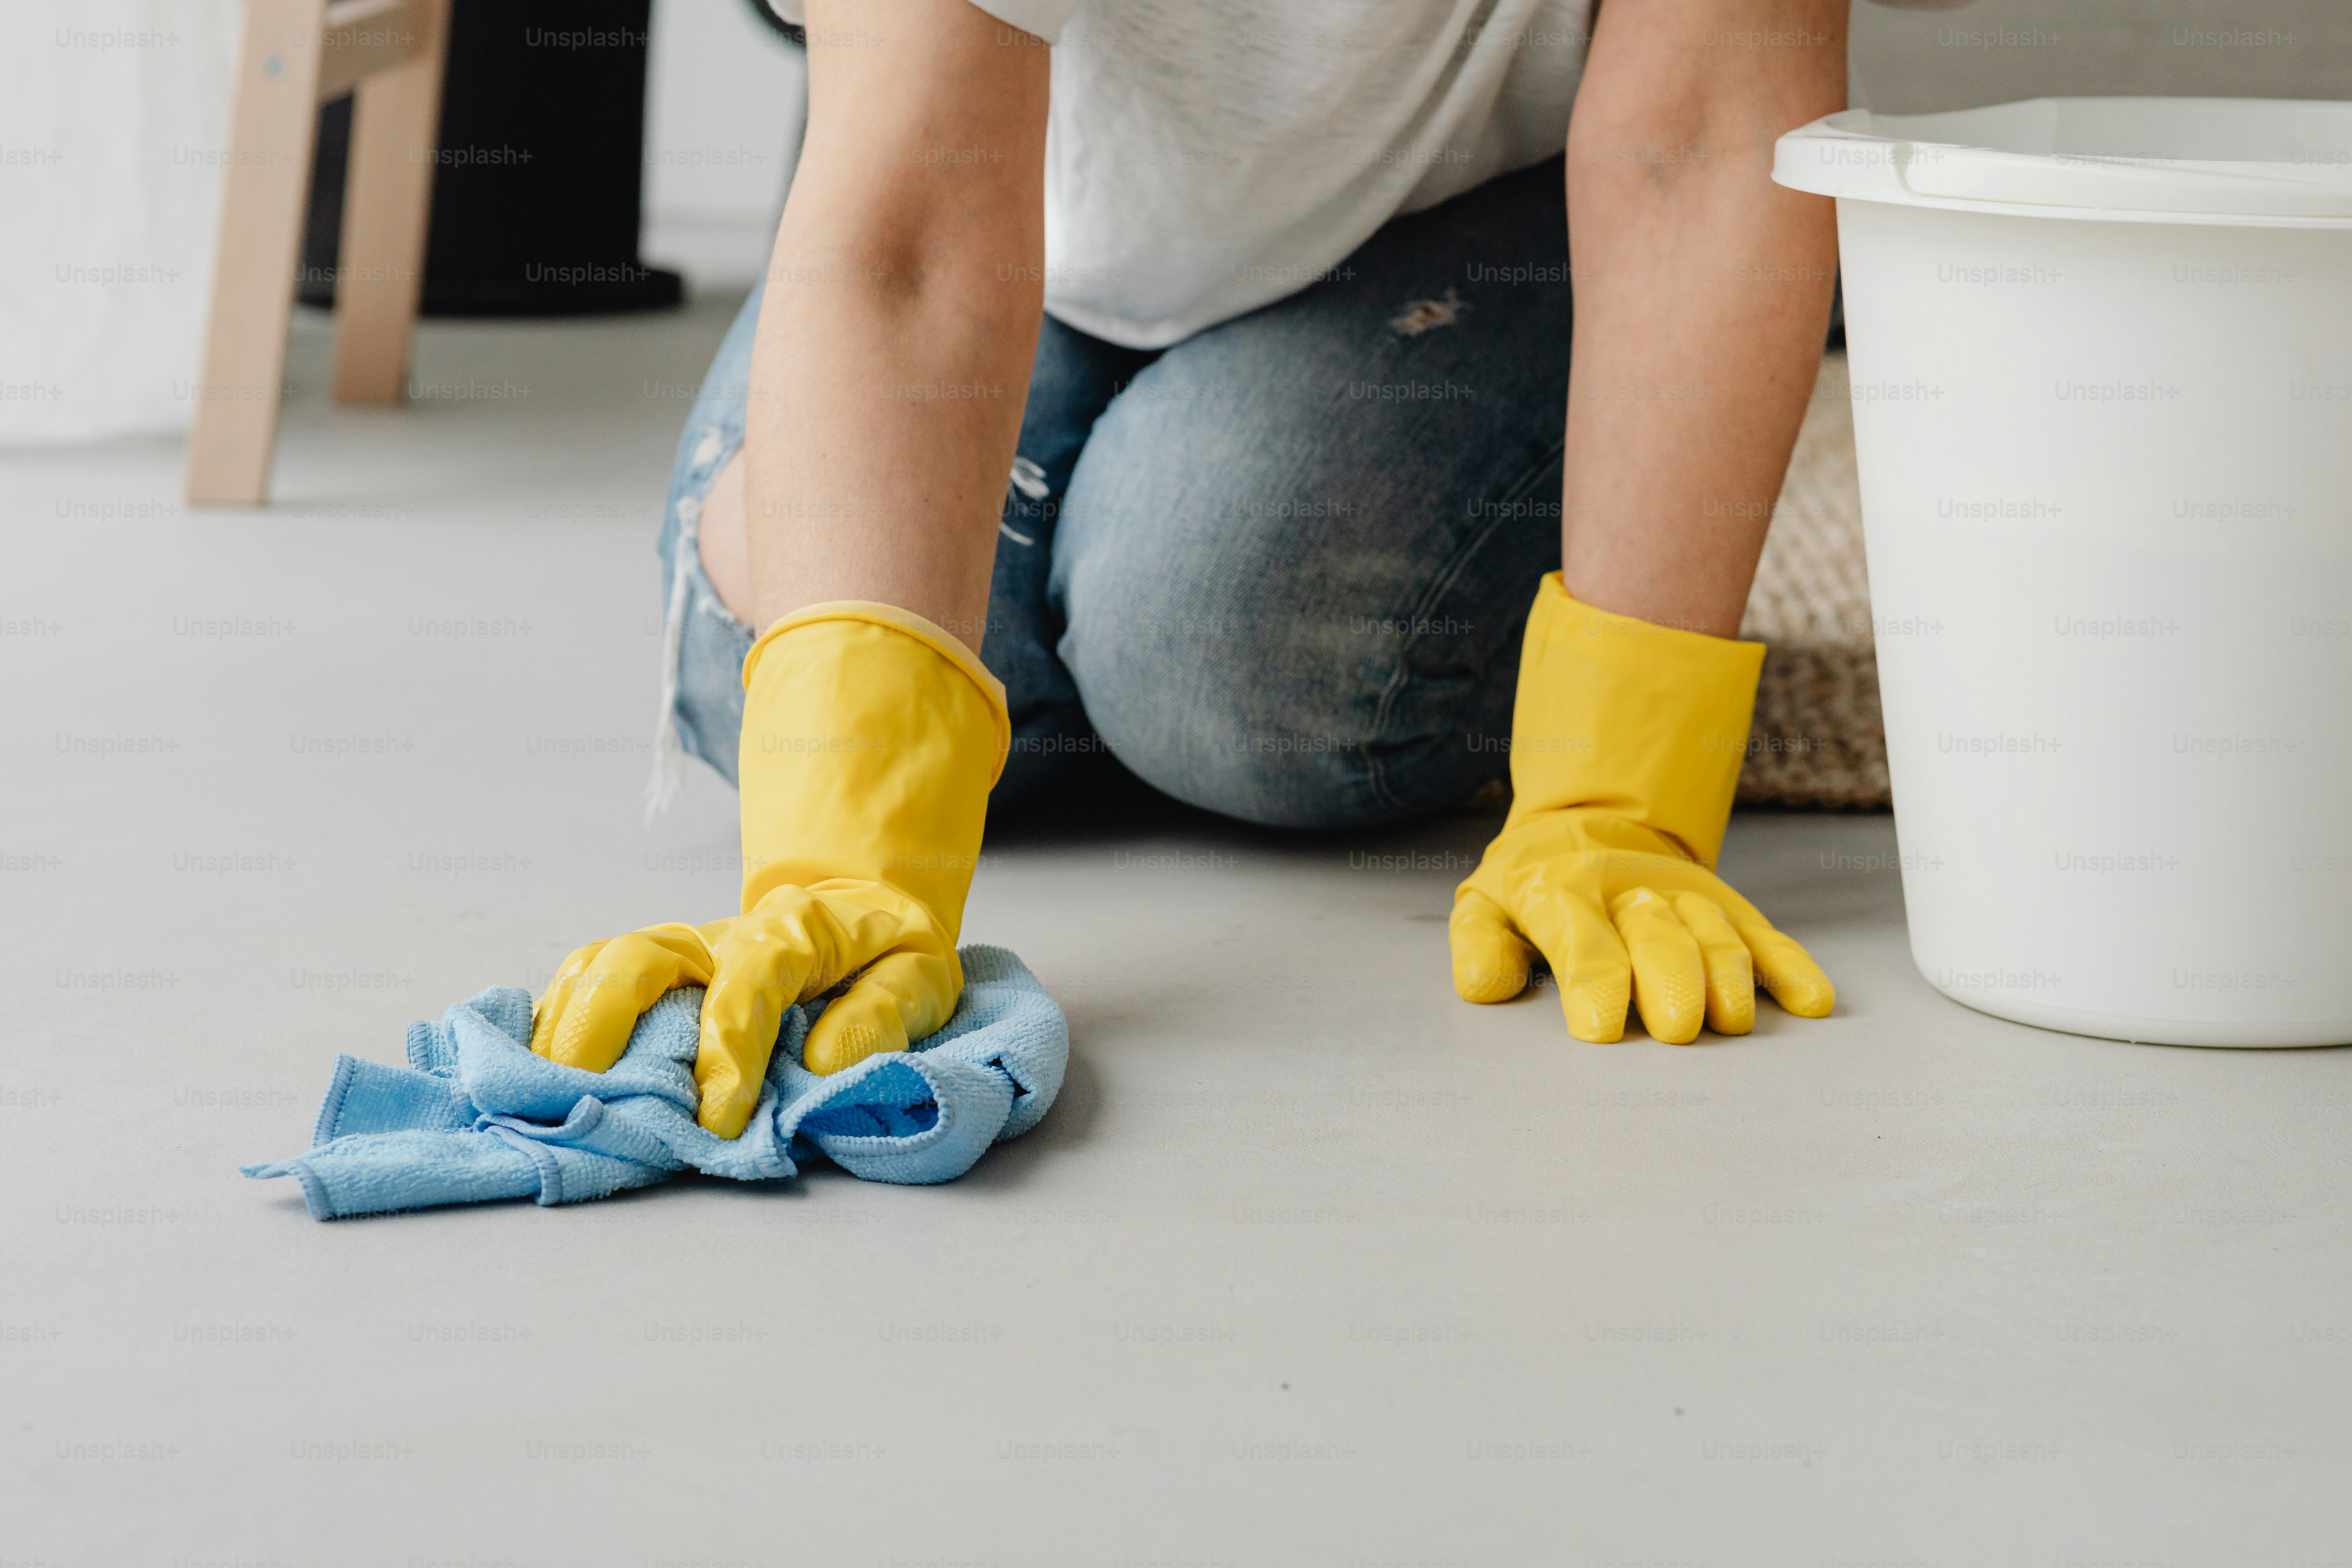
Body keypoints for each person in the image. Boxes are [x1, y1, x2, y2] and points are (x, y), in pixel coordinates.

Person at [529, 0, 1843, 1136]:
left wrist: (1622, 786)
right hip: (1026, 181)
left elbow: (1706, 136)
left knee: (1228, 647)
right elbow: (918, 212)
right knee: (743, 649)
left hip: (1462, 213)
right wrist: (840, 855)